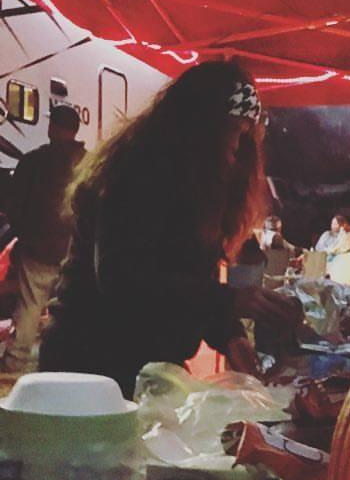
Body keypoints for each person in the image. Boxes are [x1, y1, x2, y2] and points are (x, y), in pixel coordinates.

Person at [39, 61, 298, 398]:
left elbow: (188, 277)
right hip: (91, 368)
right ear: (202, 128)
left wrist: (229, 334)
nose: (238, 147)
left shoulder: (192, 184)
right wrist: (228, 301)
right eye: (234, 131)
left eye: (246, 133)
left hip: (147, 367)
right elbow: (123, 279)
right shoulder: (138, 171)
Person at [0, 105, 86, 373]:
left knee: (29, 307)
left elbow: (13, 204)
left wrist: (26, 234)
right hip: (73, 251)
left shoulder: (32, 162)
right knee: (73, 310)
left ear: (52, 128)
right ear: (75, 130)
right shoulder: (88, 162)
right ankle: (72, 363)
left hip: (37, 251)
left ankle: (15, 362)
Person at [315, 215, 350, 285]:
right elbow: (319, 248)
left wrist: (341, 234)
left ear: (342, 225)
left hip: (341, 266)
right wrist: (326, 251)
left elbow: (341, 248)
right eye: (332, 224)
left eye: (335, 224)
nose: (333, 226)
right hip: (326, 264)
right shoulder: (326, 234)